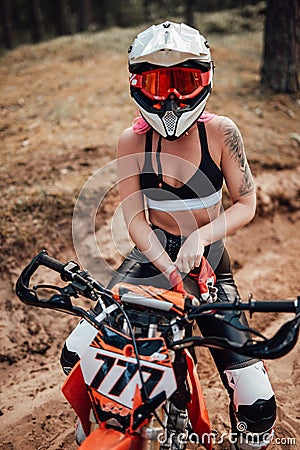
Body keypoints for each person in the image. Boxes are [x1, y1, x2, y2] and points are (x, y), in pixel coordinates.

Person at [61, 21, 276, 449]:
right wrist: (164, 263)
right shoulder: (131, 141)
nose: (173, 97)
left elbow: (246, 203)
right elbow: (136, 218)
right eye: (159, 83)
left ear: (206, 79)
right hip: (150, 256)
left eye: (185, 81)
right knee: (78, 352)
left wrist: (200, 239)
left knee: (257, 404)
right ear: (138, 84)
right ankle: (135, 418)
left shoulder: (221, 132)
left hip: (210, 262)